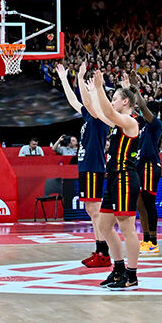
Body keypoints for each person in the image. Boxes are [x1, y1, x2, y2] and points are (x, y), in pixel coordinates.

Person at [56, 63, 111, 269]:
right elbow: (73, 100)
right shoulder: (88, 117)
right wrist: (64, 79)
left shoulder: (100, 117)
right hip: (85, 166)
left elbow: (88, 102)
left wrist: (83, 81)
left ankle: (103, 252)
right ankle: (99, 249)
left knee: (95, 211)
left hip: (94, 166)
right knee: (90, 209)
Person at [91, 71, 142, 290]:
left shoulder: (130, 122)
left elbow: (109, 112)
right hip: (113, 179)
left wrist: (101, 88)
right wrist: (92, 90)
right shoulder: (117, 123)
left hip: (124, 179)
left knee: (127, 227)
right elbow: (97, 110)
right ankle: (118, 268)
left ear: (125, 101)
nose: (112, 102)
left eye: (115, 98)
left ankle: (132, 274)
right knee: (103, 224)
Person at [127, 72, 162, 256]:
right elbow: (134, 108)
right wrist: (128, 90)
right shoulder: (140, 125)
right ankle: (147, 239)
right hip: (140, 165)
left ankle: (154, 241)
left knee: (149, 202)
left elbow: (141, 106)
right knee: (140, 203)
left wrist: (135, 88)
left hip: (151, 165)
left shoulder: (156, 125)